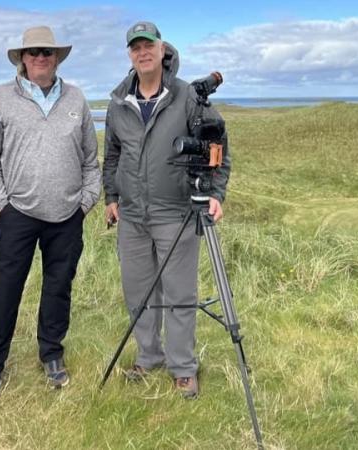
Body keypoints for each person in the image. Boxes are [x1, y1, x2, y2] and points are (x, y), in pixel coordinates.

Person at [0, 25, 101, 405]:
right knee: (4, 288)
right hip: (17, 214)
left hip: (67, 214)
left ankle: (51, 353)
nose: (41, 57)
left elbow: (91, 159)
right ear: (22, 59)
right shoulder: (1, 97)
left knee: (58, 287)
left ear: (57, 57)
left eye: (47, 52)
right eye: (33, 52)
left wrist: (85, 202)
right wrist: (1, 202)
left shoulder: (76, 98)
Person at [102, 21, 230, 399]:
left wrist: (216, 192)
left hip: (176, 212)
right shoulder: (117, 102)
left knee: (179, 294)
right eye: (135, 47)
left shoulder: (188, 96)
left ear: (163, 50)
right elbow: (112, 155)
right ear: (130, 54)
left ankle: (183, 366)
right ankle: (148, 355)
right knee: (137, 292)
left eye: (149, 45)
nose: (142, 52)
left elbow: (218, 148)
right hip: (132, 216)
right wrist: (111, 197)